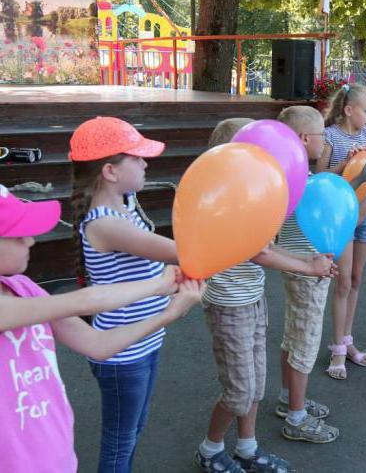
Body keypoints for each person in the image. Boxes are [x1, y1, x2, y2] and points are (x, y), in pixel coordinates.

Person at [0, 184, 204, 472]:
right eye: (18, 234)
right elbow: (86, 301)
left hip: (56, 458)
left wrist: (167, 315)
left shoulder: (23, 287)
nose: (31, 241)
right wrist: (158, 284)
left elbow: (96, 343)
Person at [195, 117, 336, 473]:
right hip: (229, 306)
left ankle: (247, 446)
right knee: (239, 391)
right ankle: (210, 449)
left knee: (255, 383)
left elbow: (267, 247)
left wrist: (308, 259)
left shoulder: (249, 195)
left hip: (252, 298)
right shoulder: (225, 199)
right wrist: (309, 267)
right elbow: (259, 252)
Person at [69, 116, 185, 472]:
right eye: (137, 158)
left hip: (142, 340)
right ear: (110, 171)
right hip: (123, 353)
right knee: (120, 443)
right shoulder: (108, 222)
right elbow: (182, 253)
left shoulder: (125, 202)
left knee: (132, 430)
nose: (146, 163)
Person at [275, 106, 366, 442]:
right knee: (304, 346)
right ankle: (296, 418)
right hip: (307, 273)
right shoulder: (301, 180)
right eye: (320, 136)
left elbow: (333, 192)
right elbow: (348, 220)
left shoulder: (292, 174)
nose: (323, 140)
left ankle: (289, 400)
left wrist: (358, 177)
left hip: (295, 267)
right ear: (303, 139)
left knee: (292, 337)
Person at [316, 83, 366, 380]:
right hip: (340, 215)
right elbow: (318, 176)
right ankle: (337, 348)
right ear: (348, 110)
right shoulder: (330, 136)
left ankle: (348, 340)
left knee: (355, 279)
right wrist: (345, 164)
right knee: (342, 283)